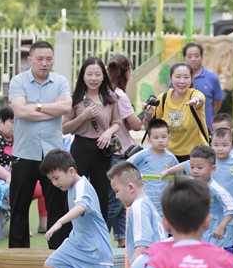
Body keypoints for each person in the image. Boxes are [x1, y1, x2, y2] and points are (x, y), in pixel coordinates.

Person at [8, 41, 73, 249]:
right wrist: (51, 109)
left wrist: (34, 107)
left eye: (48, 59)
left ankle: (59, 251)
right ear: (30, 60)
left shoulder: (61, 81)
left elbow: (66, 107)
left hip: (53, 154)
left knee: (58, 206)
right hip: (24, 153)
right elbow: (20, 112)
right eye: (39, 59)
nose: (44, 63)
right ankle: (17, 254)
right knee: (19, 206)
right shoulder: (18, 81)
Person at [40, 149, 115, 268]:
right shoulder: (71, 186)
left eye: (56, 178)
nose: (54, 183)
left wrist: (59, 222)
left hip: (95, 245)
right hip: (76, 241)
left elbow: (81, 206)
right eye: (51, 179)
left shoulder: (81, 185)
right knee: (51, 265)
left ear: (71, 171)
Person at [63, 57, 121, 225]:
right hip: (80, 146)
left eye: (97, 74)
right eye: (89, 74)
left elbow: (117, 123)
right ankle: (72, 230)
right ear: (83, 76)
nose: (93, 78)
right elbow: (64, 128)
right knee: (75, 190)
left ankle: (99, 231)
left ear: (103, 76)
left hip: (102, 149)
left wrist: (108, 133)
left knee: (101, 193)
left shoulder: (110, 98)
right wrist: (83, 116)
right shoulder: (75, 98)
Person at [0, 106, 48, 233]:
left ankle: (44, 225)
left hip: (17, 174)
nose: (15, 126)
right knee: (18, 190)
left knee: (42, 188)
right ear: (1, 122)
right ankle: (20, 228)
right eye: (12, 122)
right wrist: (7, 176)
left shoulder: (19, 136)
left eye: (17, 122)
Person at [106, 55, 143, 247]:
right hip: (119, 153)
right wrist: (145, 114)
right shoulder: (119, 94)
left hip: (110, 151)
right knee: (116, 200)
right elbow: (136, 125)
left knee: (121, 202)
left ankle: (121, 241)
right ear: (127, 72)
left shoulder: (104, 92)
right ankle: (103, 238)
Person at [142, 62, 208, 162]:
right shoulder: (163, 98)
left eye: (186, 77)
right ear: (171, 78)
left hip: (196, 154)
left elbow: (200, 97)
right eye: (178, 77)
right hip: (169, 155)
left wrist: (197, 100)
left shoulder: (193, 95)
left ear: (192, 79)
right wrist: (148, 115)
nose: (182, 81)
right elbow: (150, 128)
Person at [186, 145, 233, 252]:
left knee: (211, 262)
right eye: (192, 167)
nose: (195, 171)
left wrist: (221, 227)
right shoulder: (189, 184)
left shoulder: (216, 189)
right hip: (194, 233)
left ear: (212, 169)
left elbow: (232, 208)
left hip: (212, 236)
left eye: (200, 168)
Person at [128, 119, 178, 215]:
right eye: (156, 137)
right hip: (145, 203)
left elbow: (177, 177)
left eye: (164, 137)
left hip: (164, 205)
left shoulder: (172, 158)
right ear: (149, 140)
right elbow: (125, 167)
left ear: (169, 137)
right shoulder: (142, 155)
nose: (160, 140)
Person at [181, 42, 224, 134]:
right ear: (184, 58)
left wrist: (208, 117)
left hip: (206, 128)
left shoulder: (212, 78)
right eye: (189, 56)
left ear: (202, 57)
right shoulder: (177, 79)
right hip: (182, 128)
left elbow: (217, 102)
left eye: (197, 56)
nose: (193, 59)